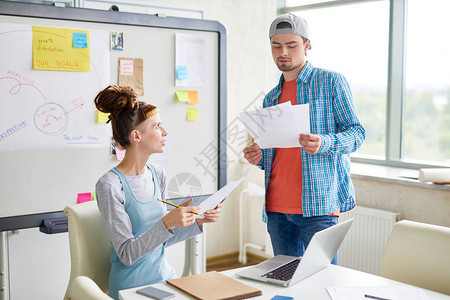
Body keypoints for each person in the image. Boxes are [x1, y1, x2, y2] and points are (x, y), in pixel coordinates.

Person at [243, 14, 365, 263]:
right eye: (276, 46)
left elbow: (356, 133)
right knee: (286, 281)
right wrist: (258, 157)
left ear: (307, 44)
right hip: (276, 208)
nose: (283, 52)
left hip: (318, 205)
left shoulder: (331, 82)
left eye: (291, 45)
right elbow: (274, 155)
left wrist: (324, 143)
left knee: (321, 280)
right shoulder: (271, 97)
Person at [94, 85, 221, 299]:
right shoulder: (110, 185)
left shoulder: (156, 173)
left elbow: (158, 240)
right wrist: (167, 222)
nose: (165, 132)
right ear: (136, 136)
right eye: (157, 126)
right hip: (131, 289)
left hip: (164, 278)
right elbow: (126, 254)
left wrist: (197, 222)